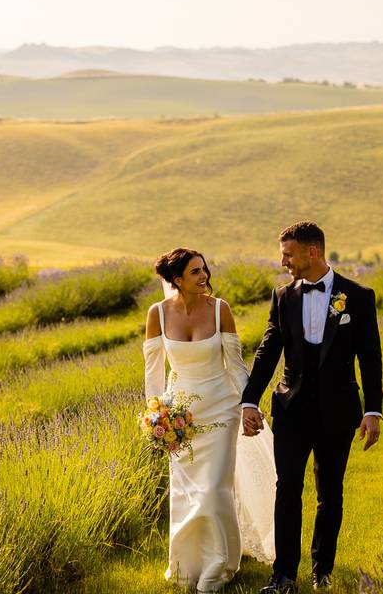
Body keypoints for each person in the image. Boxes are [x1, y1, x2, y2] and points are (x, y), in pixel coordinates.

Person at [241, 222, 383, 593]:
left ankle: (322, 571)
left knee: (330, 492)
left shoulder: (358, 296)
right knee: (286, 487)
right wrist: (249, 400)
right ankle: (283, 575)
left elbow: (370, 357)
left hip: (338, 411)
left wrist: (373, 410)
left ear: (312, 252)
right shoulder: (282, 296)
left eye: (288, 253)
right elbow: (268, 349)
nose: (283, 261)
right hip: (291, 409)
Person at [144, 248, 276, 593]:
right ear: (176, 280)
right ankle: (187, 566)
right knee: (187, 491)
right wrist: (156, 413)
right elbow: (153, 372)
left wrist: (249, 405)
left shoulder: (220, 311)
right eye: (194, 272)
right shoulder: (157, 313)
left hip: (221, 410)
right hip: (179, 418)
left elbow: (235, 365)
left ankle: (219, 567)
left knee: (216, 489)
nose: (204, 276)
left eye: (204, 269)